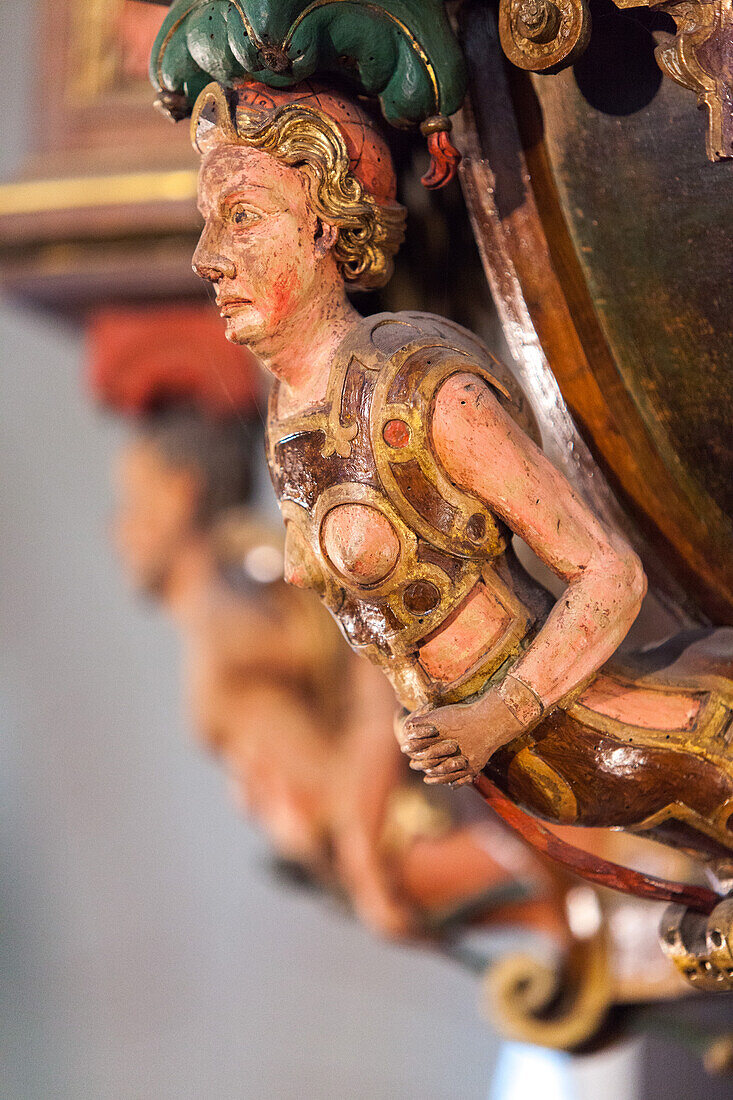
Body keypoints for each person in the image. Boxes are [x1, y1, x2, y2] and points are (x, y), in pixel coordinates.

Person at [189, 78, 733, 865]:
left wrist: (491, 720)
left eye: (242, 218)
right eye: (209, 223)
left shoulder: (417, 395)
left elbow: (608, 575)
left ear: (320, 225)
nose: (207, 259)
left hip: (638, 738)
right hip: (550, 779)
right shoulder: (290, 420)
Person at [89, 306, 565, 939]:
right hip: (384, 838)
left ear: (181, 494)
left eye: (132, 502)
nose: (116, 531)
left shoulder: (237, 612)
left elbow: (370, 698)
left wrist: (359, 849)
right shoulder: (239, 597)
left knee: (568, 896)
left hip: (403, 840)